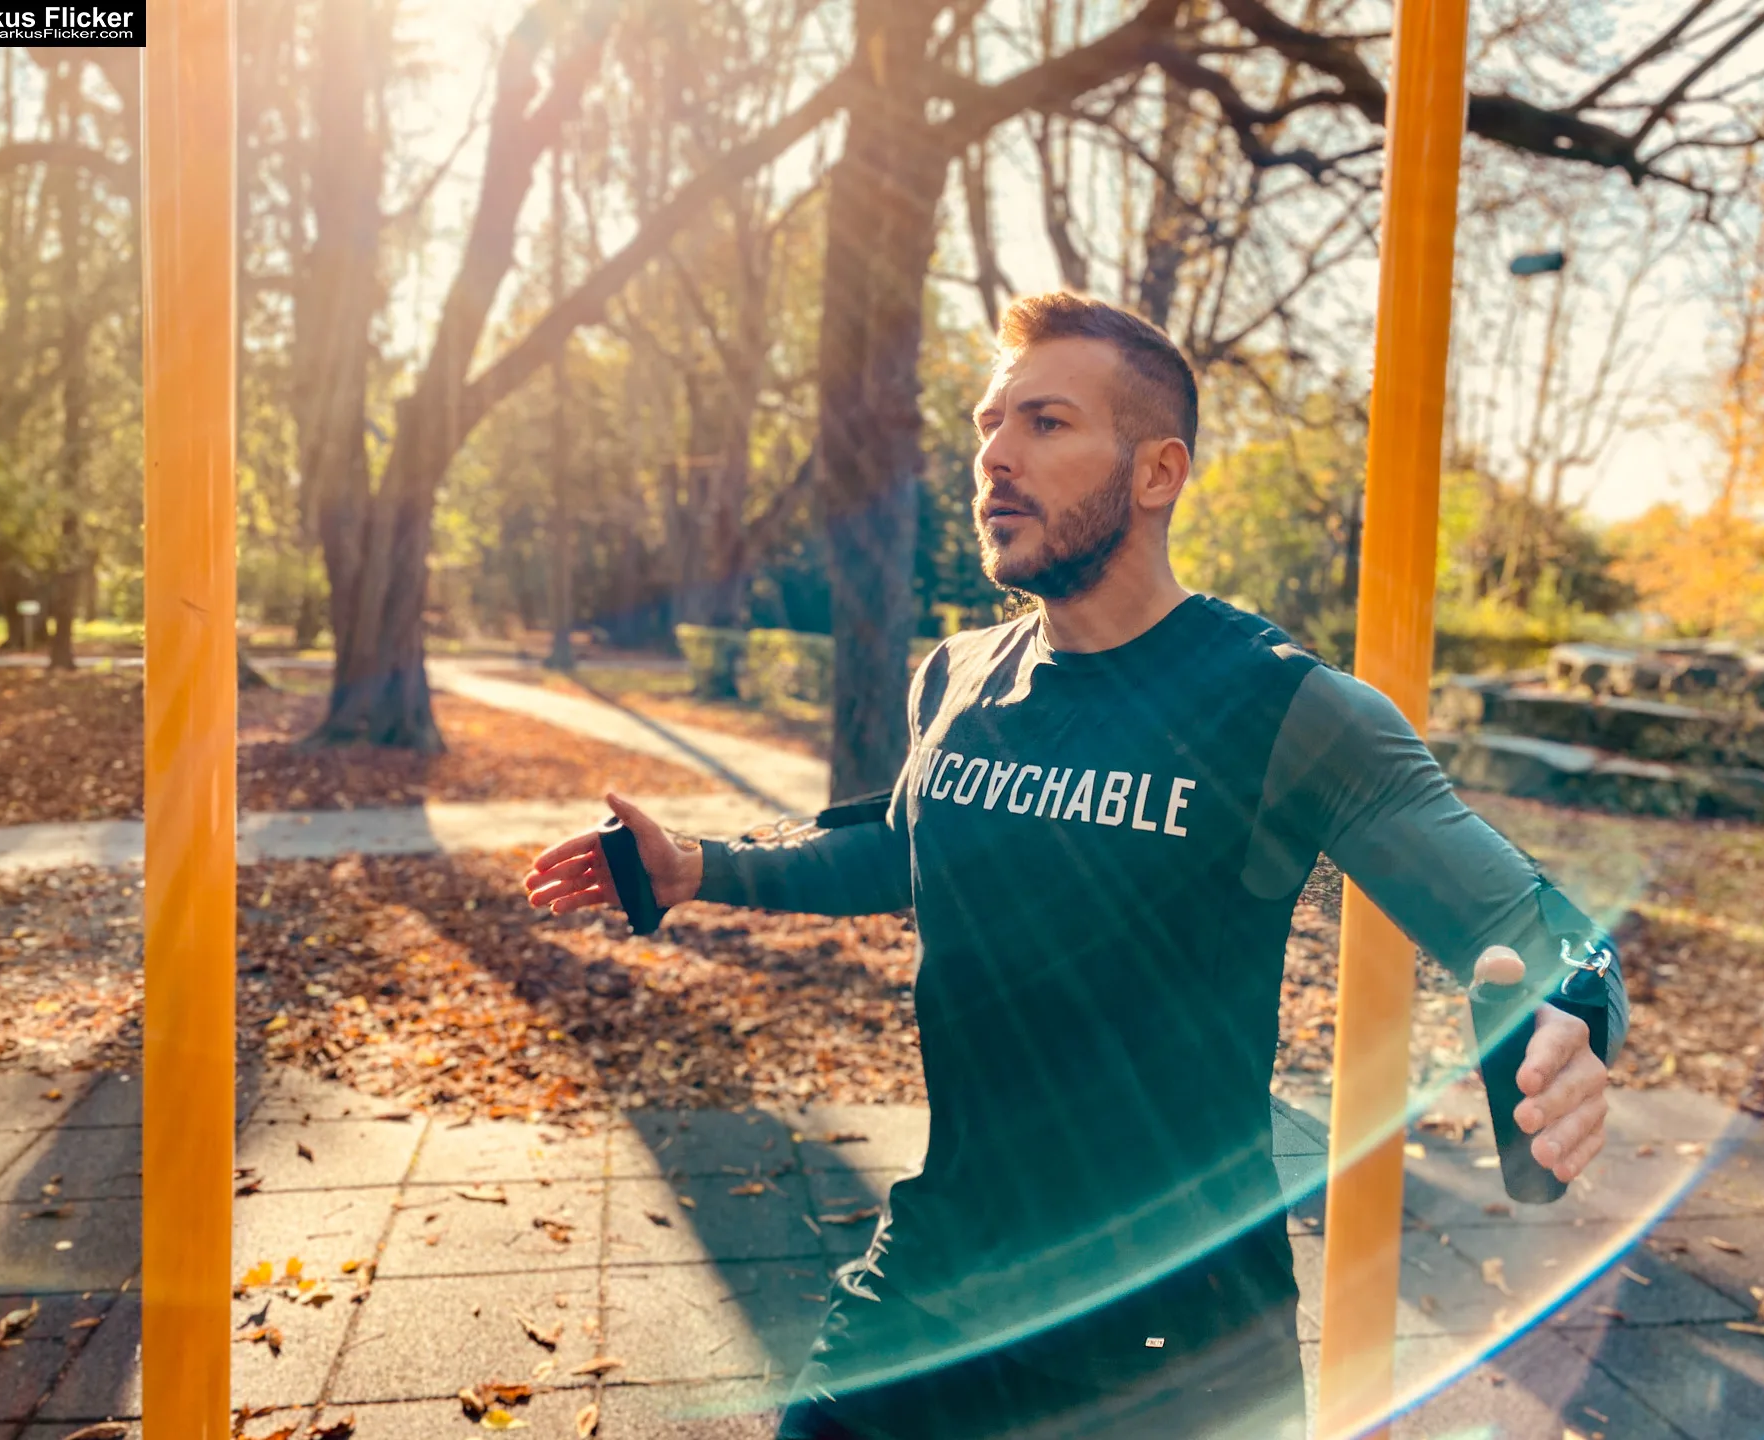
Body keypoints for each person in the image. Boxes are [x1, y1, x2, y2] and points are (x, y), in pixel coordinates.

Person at [522, 292, 1627, 1440]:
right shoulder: (957, 675)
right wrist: (697, 865)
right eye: (989, 424)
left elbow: (1537, 925)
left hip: (1171, 1338)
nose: (995, 455)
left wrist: (1576, 1018)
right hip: (934, 1280)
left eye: (1045, 423)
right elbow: (903, 841)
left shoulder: (1284, 707)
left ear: (1157, 472)